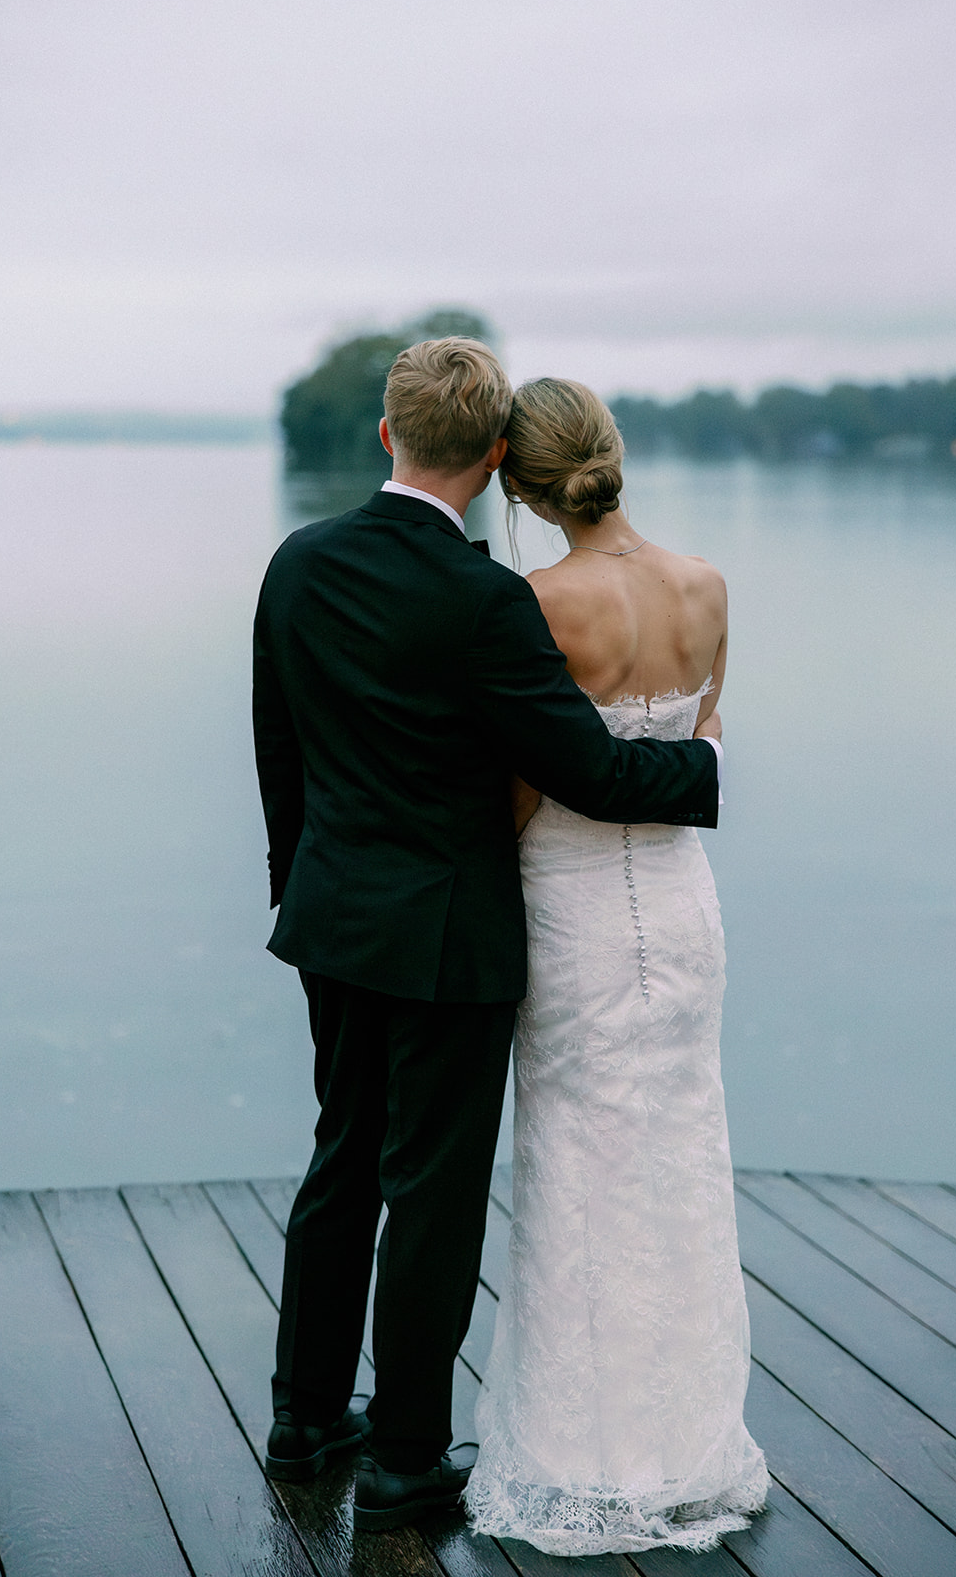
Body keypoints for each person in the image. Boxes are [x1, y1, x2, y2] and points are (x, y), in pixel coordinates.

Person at [251, 339, 721, 1531]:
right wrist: (703, 765)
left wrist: (298, 886)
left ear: (384, 436)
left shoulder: (298, 563)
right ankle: (407, 1450)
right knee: (434, 1189)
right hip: (451, 940)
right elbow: (590, 769)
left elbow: (279, 749)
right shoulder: (483, 599)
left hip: (330, 916)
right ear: (497, 453)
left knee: (341, 1154)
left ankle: (304, 1412)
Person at [464, 379, 768, 1555]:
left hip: (574, 911)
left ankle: (584, 1459)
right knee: (680, 1162)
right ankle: (690, 1447)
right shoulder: (704, 585)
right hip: (685, 913)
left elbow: (532, 780)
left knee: (579, 1171)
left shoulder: (535, 601)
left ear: (519, 484)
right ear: (612, 456)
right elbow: (707, 744)